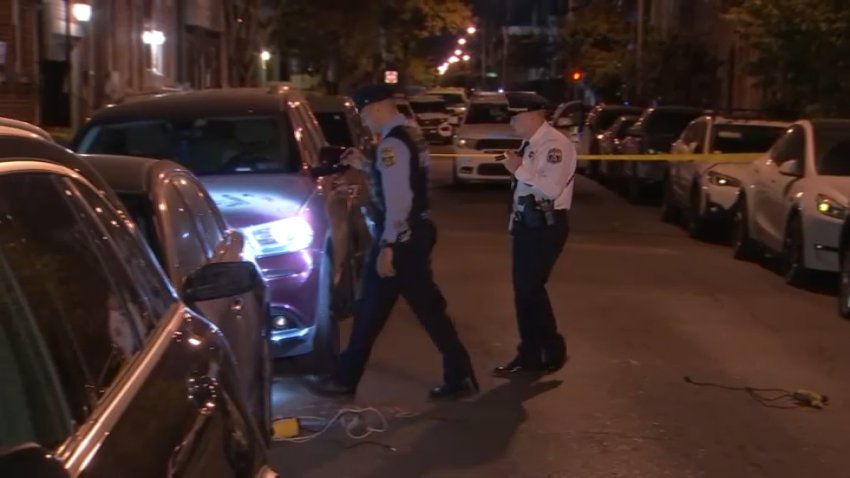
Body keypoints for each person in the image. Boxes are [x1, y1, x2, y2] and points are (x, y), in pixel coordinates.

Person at [314, 84, 478, 400]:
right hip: (413, 234)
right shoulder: (409, 134)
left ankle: (346, 379)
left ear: (376, 108)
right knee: (398, 309)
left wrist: (389, 245)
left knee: (379, 310)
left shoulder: (392, 145)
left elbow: (399, 198)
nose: (364, 122)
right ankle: (459, 373)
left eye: (363, 114)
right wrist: (365, 164)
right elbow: (402, 179)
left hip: (401, 237)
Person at [493, 92, 576, 377]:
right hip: (528, 224)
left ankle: (545, 350)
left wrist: (519, 169)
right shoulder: (532, 143)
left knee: (529, 290)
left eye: (515, 116)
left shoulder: (555, 145)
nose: (512, 122)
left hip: (546, 225)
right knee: (525, 292)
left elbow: (550, 189)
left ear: (532, 115)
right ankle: (534, 352)